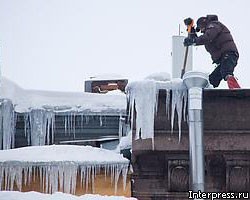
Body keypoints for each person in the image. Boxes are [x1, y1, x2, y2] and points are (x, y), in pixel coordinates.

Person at [184, 15, 240, 89]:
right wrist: (190, 28)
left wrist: (194, 41)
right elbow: (197, 39)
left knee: (226, 72)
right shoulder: (209, 30)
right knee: (213, 79)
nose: (201, 30)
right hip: (224, 57)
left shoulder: (213, 25)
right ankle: (208, 94)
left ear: (203, 24)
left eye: (201, 28)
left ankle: (237, 90)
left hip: (228, 54)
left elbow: (207, 37)